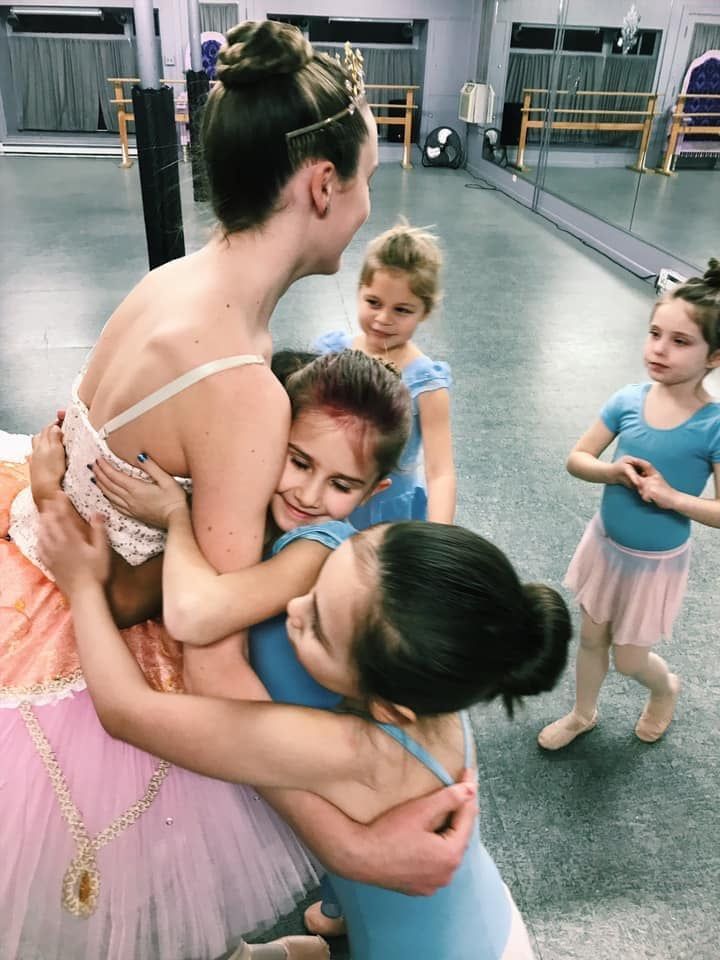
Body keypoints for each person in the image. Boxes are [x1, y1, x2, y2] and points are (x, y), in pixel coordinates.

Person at [0, 21, 476, 960]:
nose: (367, 205)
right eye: (369, 182)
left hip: (36, 568)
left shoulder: (175, 282)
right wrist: (350, 837)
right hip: (102, 644)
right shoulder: (243, 388)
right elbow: (210, 656)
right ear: (322, 185)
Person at [39, 502, 572, 960]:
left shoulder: (353, 750)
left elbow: (126, 711)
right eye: (315, 586)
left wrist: (82, 584)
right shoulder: (446, 682)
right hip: (483, 916)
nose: (293, 605)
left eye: (316, 625)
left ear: (389, 707)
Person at [87, 350, 411, 708]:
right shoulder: (254, 511)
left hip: (274, 742)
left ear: (372, 491)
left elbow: (194, 617)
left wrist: (176, 516)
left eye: (342, 485)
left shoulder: (322, 549)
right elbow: (134, 597)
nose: (308, 496)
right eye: (300, 463)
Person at [538, 260, 720, 751]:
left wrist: (671, 497)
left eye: (680, 341)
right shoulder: (627, 400)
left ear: (715, 357)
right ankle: (582, 714)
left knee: (631, 659)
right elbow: (577, 458)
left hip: (654, 565)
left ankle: (666, 689)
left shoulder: (713, 425)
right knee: (592, 638)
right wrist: (613, 471)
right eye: (655, 333)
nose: (659, 349)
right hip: (605, 546)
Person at [315, 222, 456, 526]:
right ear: (359, 293)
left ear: (425, 311)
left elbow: (440, 470)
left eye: (402, 310)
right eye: (374, 303)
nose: (383, 319)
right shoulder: (332, 354)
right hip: (327, 498)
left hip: (386, 514)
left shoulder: (426, 384)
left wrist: (438, 539)